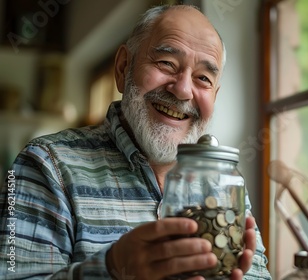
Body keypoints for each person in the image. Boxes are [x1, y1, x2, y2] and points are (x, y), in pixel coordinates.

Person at [0, 4, 272, 280]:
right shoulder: (44, 165)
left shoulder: (223, 184)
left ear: (215, 95)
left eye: (203, 78)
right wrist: (113, 268)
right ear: (123, 68)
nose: (182, 90)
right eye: (166, 63)